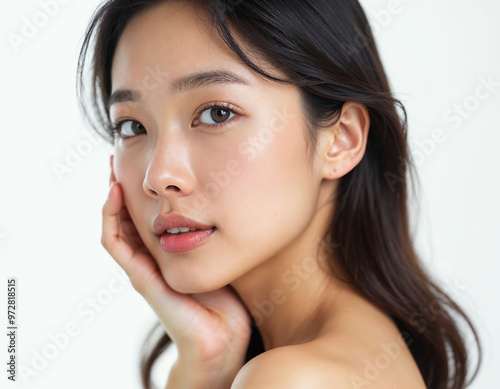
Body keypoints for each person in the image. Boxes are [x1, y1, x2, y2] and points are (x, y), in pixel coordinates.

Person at [77, 0, 482, 388]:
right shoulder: (344, 357)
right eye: (131, 126)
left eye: (217, 113)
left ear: (340, 139)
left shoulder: (293, 378)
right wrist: (207, 362)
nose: (159, 174)